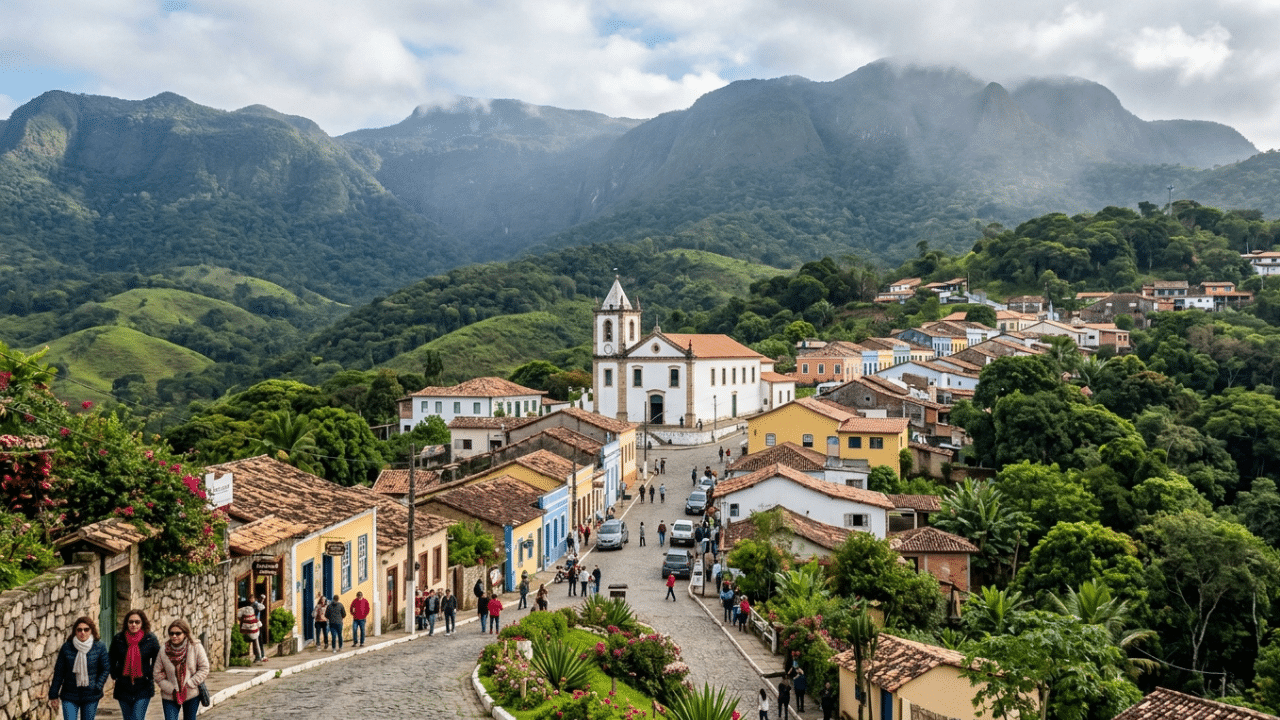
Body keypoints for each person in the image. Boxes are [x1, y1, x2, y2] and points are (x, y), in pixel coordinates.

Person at [49, 615, 109, 720]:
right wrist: (53, 695)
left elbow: (105, 669)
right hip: (69, 694)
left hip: (91, 695)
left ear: (91, 630)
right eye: (79, 630)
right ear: (75, 631)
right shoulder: (67, 647)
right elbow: (59, 672)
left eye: (86, 629)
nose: (83, 632)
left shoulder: (99, 647)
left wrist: (98, 686)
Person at [153, 619, 210, 720]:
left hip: (191, 693)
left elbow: (204, 668)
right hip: (170, 695)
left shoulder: (195, 646)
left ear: (185, 633)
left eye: (178, 633)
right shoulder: (164, 650)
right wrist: (171, 688)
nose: (174, 636)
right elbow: (157, 673)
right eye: (171, 633)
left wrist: (190, 683)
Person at [109, 609, 160, 720]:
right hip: (123, 686)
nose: (134, 624)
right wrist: (115, 674)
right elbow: (111, 659)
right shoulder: (118, 639)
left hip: (143, 685)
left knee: (137, 717)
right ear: (126, 623)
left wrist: (150, 674)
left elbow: (158, 659)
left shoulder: (150, 639)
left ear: (142, 623)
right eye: (131, 622)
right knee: (128, 718)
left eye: (137, 622)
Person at [237, 597, 265, 663]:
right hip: (253, 629)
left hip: (249, 629)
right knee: (256, 642)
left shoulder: (253, 606)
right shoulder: (251, 610)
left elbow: (239, 616)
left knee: (256, 642)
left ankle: (259, 656)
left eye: (252, 598)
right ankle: (258, 657)